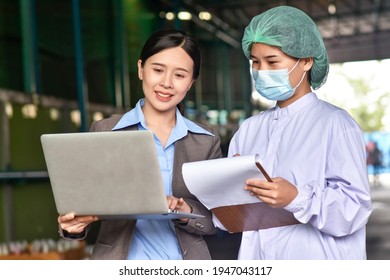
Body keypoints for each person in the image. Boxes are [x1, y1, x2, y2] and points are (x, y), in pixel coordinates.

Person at [213, 6, 372, 259]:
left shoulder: (335, 123)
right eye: (255, 62)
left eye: (273, 61)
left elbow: (354, 210)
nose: (262, 71)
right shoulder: (249, 129)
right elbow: (231, 219)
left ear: (307, 61)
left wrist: (297, 197)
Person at [57, 29, 222, 260]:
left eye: (180, 75)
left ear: (191, 82)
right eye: (157, 70)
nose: (166, 83)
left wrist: (183, 210)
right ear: (140, 69)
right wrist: (74, 227)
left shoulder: (206, 140)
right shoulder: (105, 132)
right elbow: (86, 204)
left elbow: (216, 220)